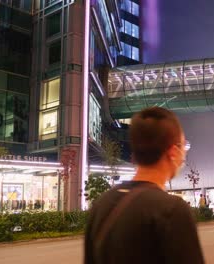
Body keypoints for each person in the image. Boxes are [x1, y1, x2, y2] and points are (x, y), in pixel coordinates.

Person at [85, 107, 204, 264]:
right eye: (183, 147)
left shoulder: (101, 205)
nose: (184, 155)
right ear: (174, 152)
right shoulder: (172, 210)